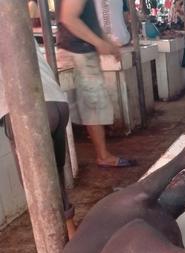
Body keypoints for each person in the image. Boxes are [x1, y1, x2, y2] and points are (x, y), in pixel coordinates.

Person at [0, 40, 76, 238]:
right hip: (58, 104)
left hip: (27, 111)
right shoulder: (11, 16)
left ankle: (54, 250)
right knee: (55, 175)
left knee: (37, 187)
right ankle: (72, 236)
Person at [57, 0, 135, 167]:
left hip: (84, 51)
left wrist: (107, 42)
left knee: (94, 105)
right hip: (78, 52)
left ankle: (102, 153)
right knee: (94, 104)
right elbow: (68, 18)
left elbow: (92, 23)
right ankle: (103, 156)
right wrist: (99, 42)